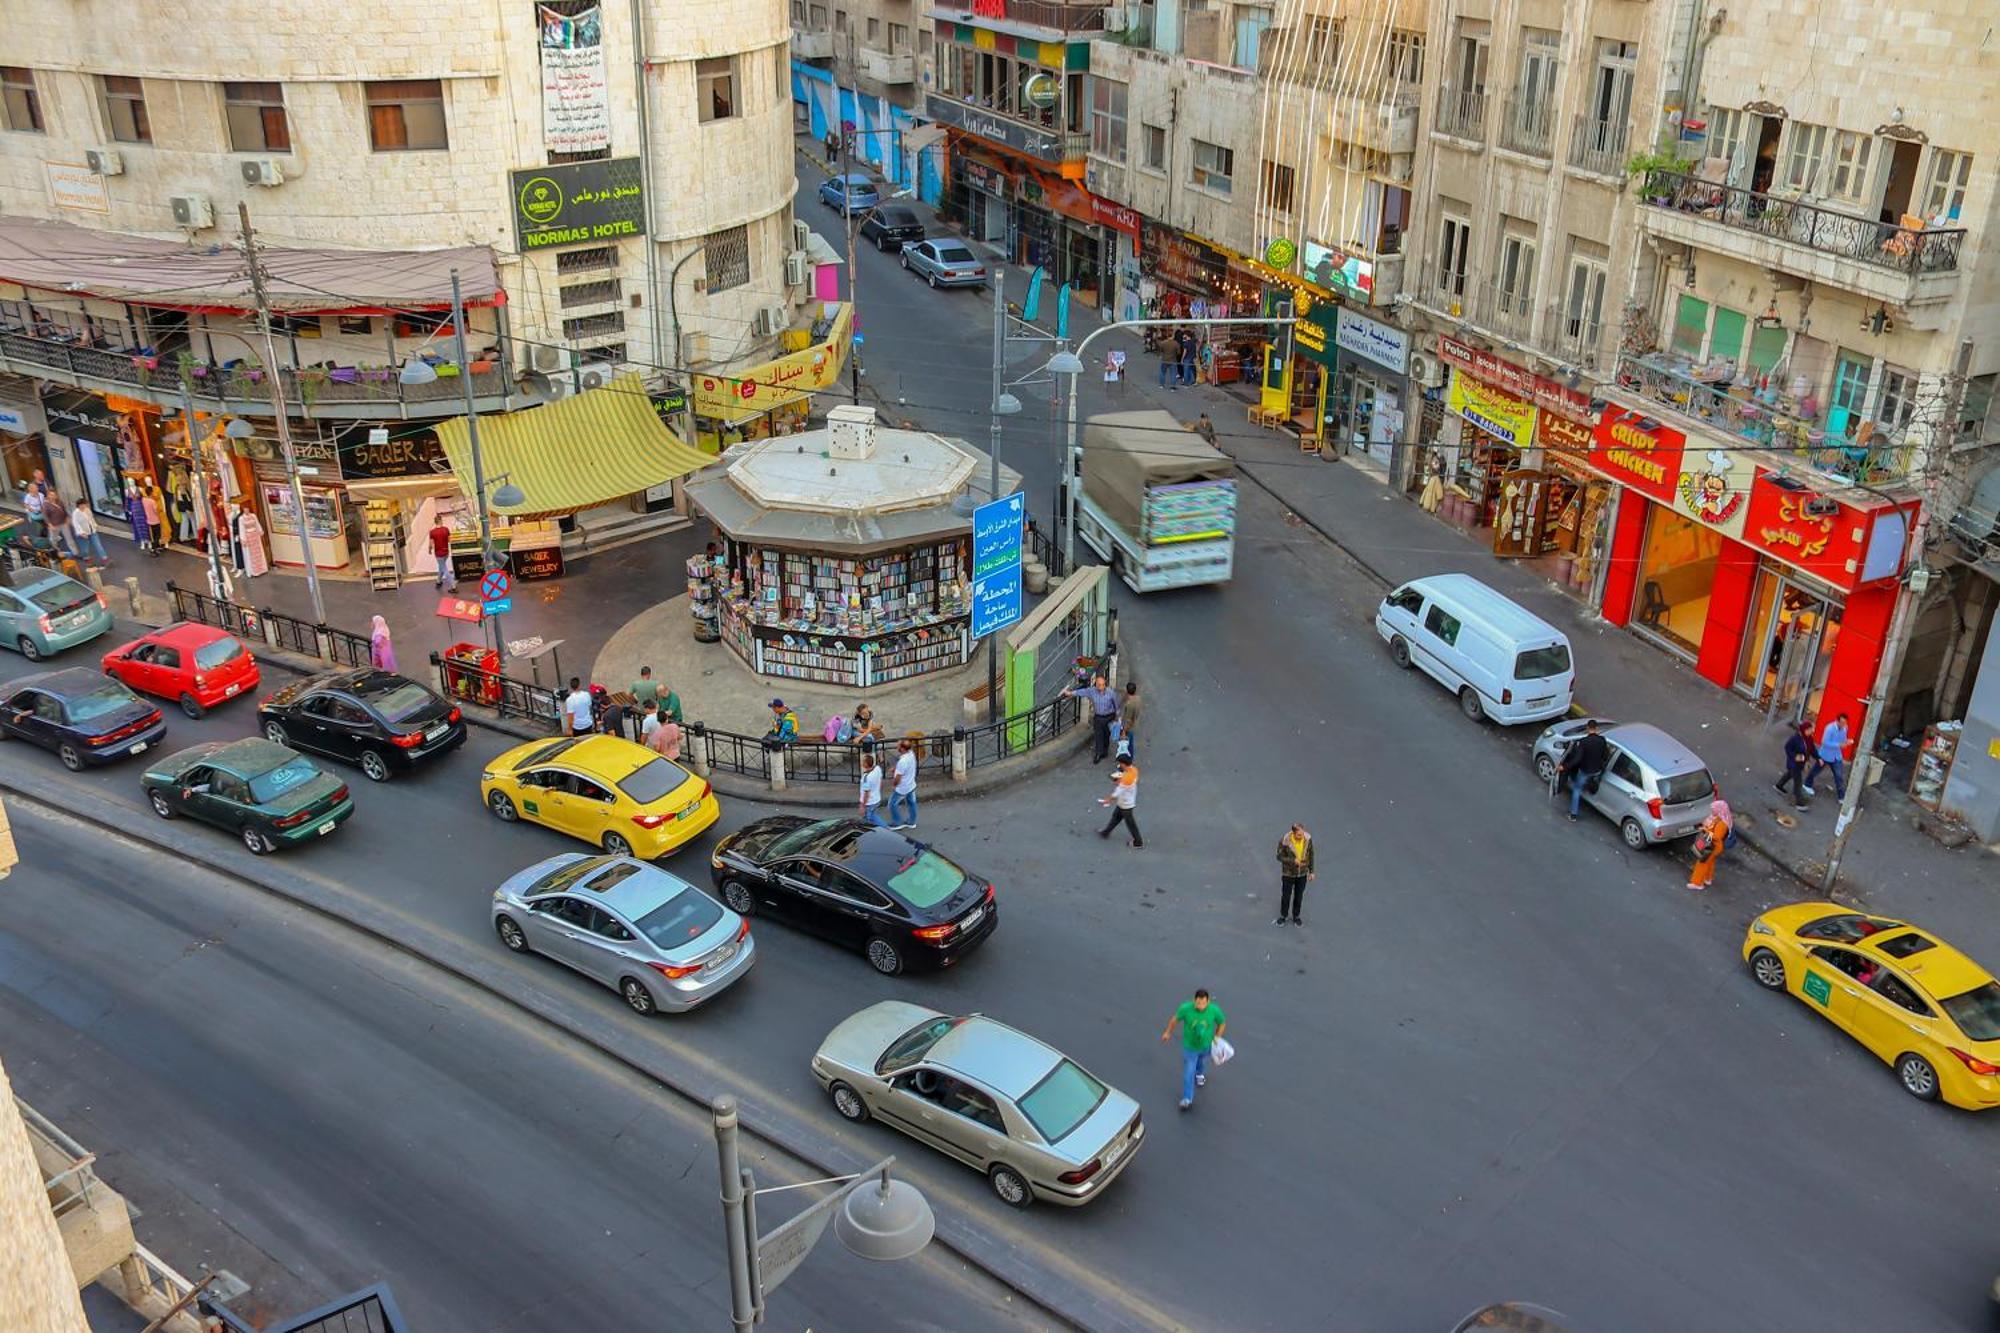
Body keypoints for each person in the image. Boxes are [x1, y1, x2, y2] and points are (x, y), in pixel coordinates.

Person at [1161, 988, 1226, 1111]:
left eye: (1203, 1003)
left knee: (1201, 1061)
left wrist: (1217, 1037)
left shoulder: (1214, 1010)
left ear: (1208, 1002)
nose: (1200, 1006)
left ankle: (1200, 1073)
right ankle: (1187, 1099)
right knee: (1189, 1072)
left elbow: (1222, 1023)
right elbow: (1175, 1020)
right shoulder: (1185, 1008)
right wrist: (1168, 1032)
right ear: (1194, 1000)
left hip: (1206, 1046)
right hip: (1190, 1047)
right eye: (1198, 1003)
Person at [1557, 719, 1611, 821]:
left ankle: (1573, 814)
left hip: (1585, 771)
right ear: (1596, 728)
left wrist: (1564, 767)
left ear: (1587, 728)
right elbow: (1605, 755)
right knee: (1591, 781)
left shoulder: (1583, 742)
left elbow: (1577, 759)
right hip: (1597, 770)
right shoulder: (1602, 740)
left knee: (1577, 789)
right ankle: (1590, 786)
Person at [1064, 672, 1120, 763]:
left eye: (1102, 685)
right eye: (1099, 685)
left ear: (1105, 684)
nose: (1101, 687)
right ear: (1096, 685)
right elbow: (1081, 692)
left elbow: (1116, 705)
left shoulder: (1111, 693)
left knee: (1106, 735)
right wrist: (1070, 693)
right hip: (1098, 717)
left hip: (1109, 717)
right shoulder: (1092, 691)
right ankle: (1098, 753)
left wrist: (1117, 718)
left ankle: (1105, 750)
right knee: (1098, 736)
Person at [1275, 822, 1315, 926]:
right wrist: (1293, 861)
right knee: (1286, 896)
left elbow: (1311, 854)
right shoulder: (1285, 841)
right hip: (1288, 874)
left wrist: (1311, 871)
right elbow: (1279, 856)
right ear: (1293, 833)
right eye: (1298, 835)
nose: (1301, 836)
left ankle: (1296, 916)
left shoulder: (1307, 839)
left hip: (1302, 873)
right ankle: (1283, 916)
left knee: (1299, 896)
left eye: (1302, 834)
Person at [1804, 713, 1851, 799]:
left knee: (1839, 776)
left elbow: (1843, 739)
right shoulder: (1829, 728)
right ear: (1837, 721)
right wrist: (1839, 745)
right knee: (1815, 771)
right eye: (1842, 723)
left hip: (1836, 756)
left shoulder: (1845, 728)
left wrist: (1846, 742)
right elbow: (1824, 742)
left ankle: (1841, 797)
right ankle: (1807, 784)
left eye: (1845, 723)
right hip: (1825, 755)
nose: (1844, 725)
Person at [1098, 757, 1142, 848]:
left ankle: (1138, 842)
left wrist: (1107, 800)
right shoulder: (1133, 770)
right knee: (1116, 817)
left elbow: (1117, 793)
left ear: (1123, 764)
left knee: (1130, 824)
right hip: (1126, 801)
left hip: (1126, 804)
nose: (1119, 765)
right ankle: (1106, 832)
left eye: (1120, 763)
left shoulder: (1126, 779)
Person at [1688, 798, 1731, 890]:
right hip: (1714, 846)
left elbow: (1716, 837)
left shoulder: (1722, 824)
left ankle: (1697, 883)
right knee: (1710, 862)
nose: (1712, 811)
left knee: (1702, 862)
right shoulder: (1720, 819)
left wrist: (1705, 830)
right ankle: (1708, 878)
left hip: (1713, 846)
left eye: (1714, 809)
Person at [1774, 721, 1813, 809]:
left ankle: (1779, 786)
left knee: (1789, 774)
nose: (1812, 731)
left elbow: (1809, 750)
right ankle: (1799, 803)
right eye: (1810, 729)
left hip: (1800, 763)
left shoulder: (1808, 738)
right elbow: (1787, 748)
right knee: (1798, 783)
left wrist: (1808, 761)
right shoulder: (1795, 738)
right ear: (1804, 730)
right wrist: (1794, 756)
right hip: (1794, 764)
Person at [889, 738, 919, 829]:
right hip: (911, 785)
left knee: (891, 804)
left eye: (898, 745)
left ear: (902, 749)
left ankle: (897, 823)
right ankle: (912, 822)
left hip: (902, 788)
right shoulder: (911, 754)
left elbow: (898, 777)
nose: (896, 747)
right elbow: (904, 768)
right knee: (911, 803)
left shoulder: (902, 761)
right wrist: (895, 768)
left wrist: (894, 785)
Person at [68, 500, 107, 568]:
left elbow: (91, 519)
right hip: (82, 534)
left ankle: (104, 559)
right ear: (79, 505)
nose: (84, 506)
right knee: (85, 549)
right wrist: (81, 533)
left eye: (85, 504)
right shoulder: (76, 513)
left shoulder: (87, 510)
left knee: (98, 545)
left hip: (92, 531)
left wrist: (95, 525)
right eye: (82, 505)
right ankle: (87, 559)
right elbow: (76, 524)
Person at [858, 753, 890, 828]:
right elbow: (880, 778)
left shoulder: (866, 778)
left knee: (871, 817)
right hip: (876, 798)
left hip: (870, 802)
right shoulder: (877, 769)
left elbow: (866, 793)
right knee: (870, 817)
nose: (861, 763)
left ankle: (886, 828)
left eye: (862, 761)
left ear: (866, 764)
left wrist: (862, 806)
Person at [41, 489, 72, 559]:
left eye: (54, 495)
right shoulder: (46, 504)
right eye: (51, 495)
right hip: (54, 525)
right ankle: (55, 551)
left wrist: (67, 518)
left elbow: (64, 510)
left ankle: (74, 552)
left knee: (69, 538)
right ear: (48, 496)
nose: (53, 496)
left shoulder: (59, 502)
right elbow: (45, 516)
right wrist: (50, 525)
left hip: (63, 523)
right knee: (52, 540)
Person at [1117, 681, 1142, 758]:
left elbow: (1128, 719)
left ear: (1127, 691)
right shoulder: (1138, 698)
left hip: (1128, 727)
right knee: (1130, 744)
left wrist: (1124, 731)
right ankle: (1129, 759)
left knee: (1125, 746)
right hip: (1134, 724)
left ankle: (1126, 762)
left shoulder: (1129, 704)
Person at [429, 517, 454, 588]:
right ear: (440, 521)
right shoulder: (446, 529)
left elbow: (431, 544)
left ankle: (453, 585)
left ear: (435, 522)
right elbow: (449, 540)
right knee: (442, 566)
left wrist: (429, 550)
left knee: (444, 569)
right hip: (446, 552)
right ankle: (438, 581)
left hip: (438, 553)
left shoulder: (432, 532)